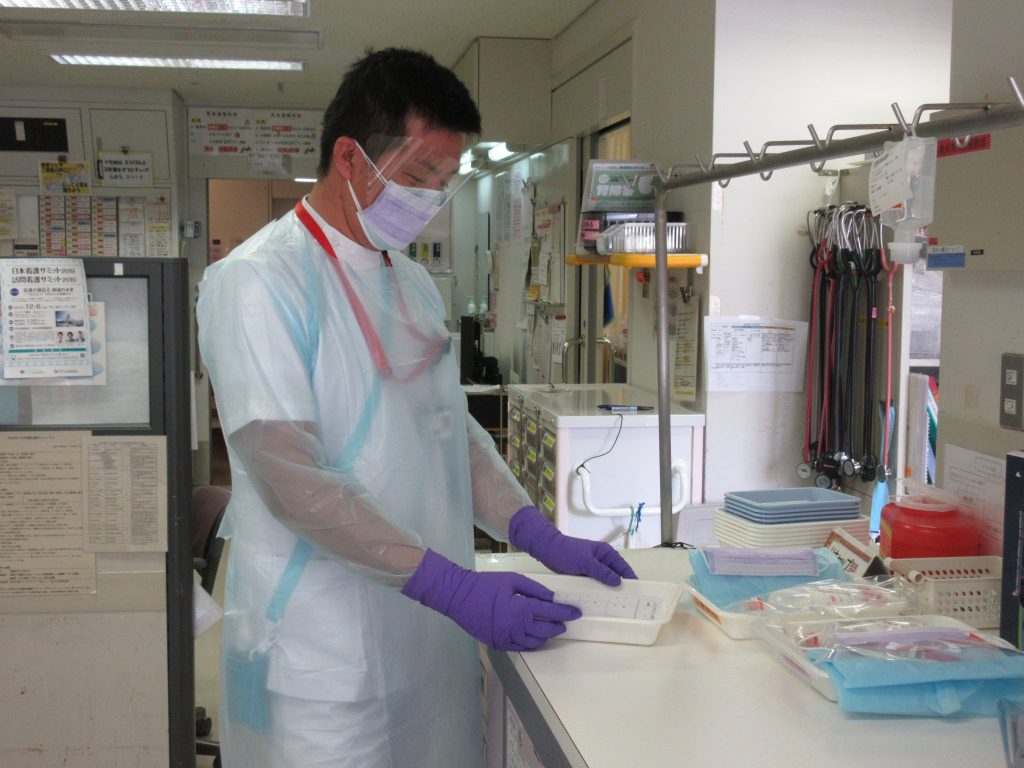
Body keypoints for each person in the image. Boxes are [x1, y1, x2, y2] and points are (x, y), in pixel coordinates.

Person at [197, 48, 635, 768]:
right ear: (349, 157)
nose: (431, 198)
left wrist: (531, 529)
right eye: (417, 176)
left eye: (443, 181)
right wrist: (448, 585)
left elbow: (448, 433)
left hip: (427, 637)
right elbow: (288, 478)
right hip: (321, 654)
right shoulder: (257, 281)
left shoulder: (411, 283)